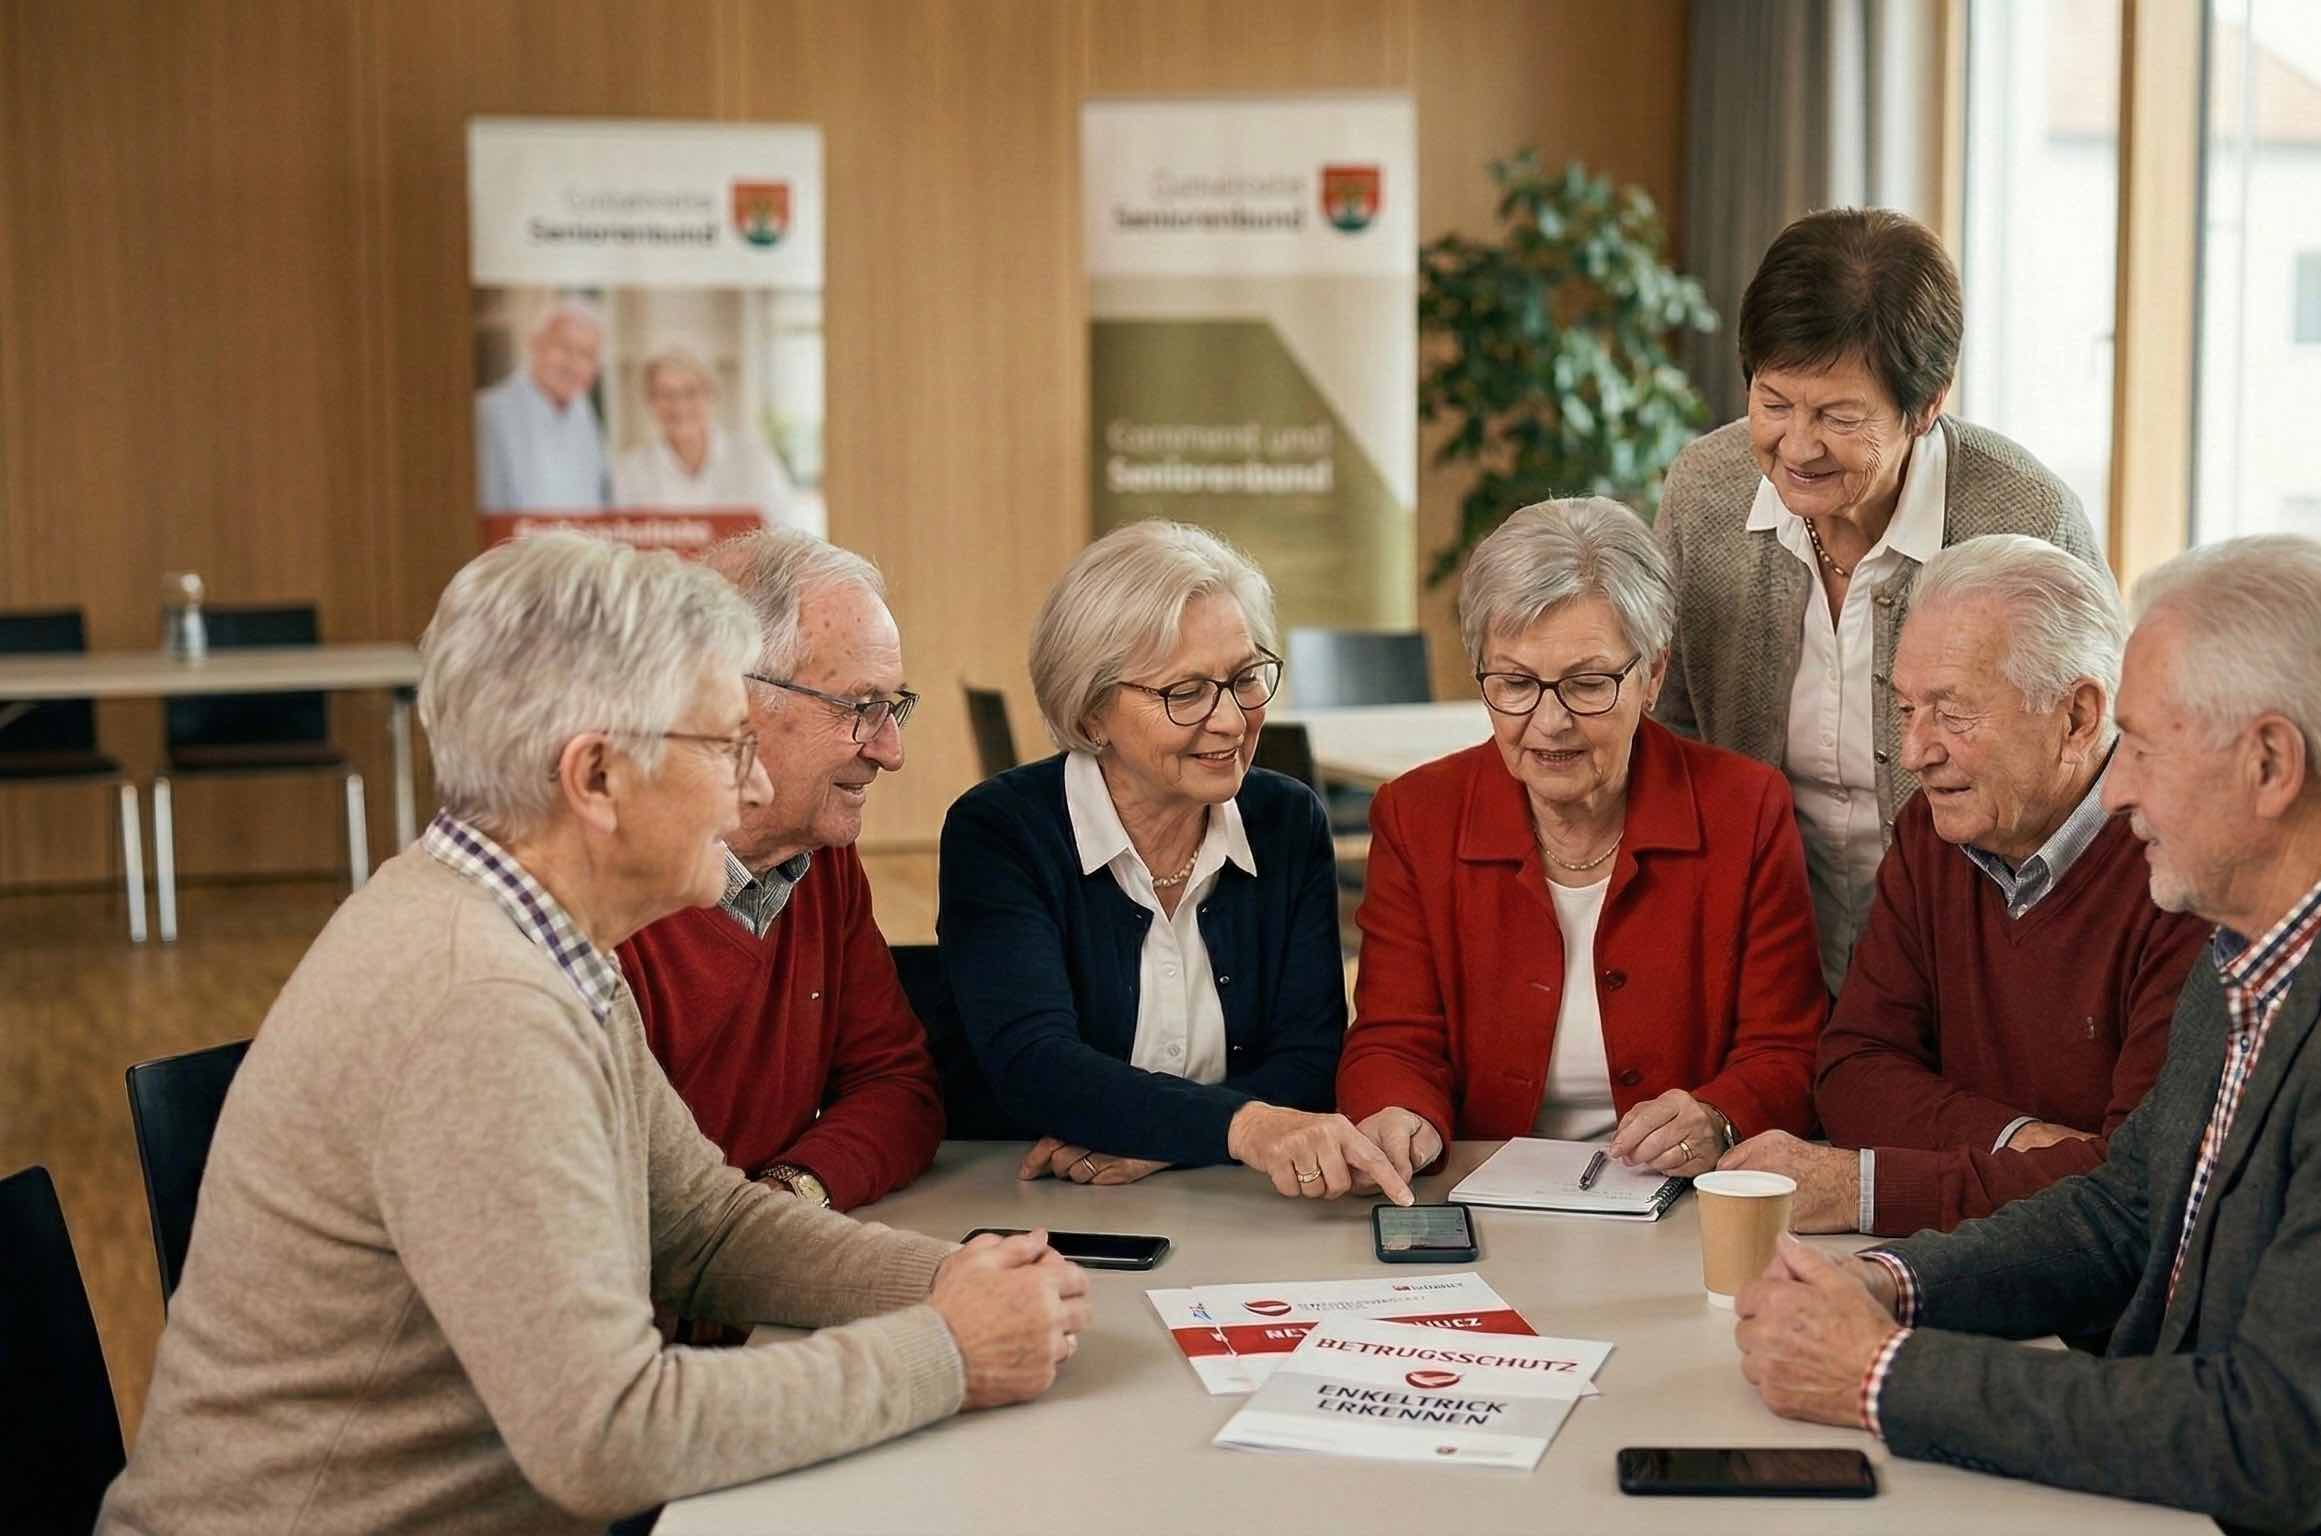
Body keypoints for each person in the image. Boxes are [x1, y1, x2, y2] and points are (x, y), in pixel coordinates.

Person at [98, 535, 1089, 1536]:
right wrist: (948, 1351)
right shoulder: (478, 1002)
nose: (749, 793)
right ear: (598, 778)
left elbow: (701, 1224)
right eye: (720, 747)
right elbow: (608, 1438)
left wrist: (953, 1284)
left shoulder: (537, 934)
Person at [1730, 536, 2321, 1533]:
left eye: (2141, 746)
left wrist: (1879, 1374)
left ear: (2268, 763)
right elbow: (2129, 1209)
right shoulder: (2269, 928)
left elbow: (2273, 1441)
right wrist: (1893, 1283)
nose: (2117, 789)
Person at [1653, 208, 2102, 994]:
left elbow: (2095, 772)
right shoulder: (1706, 492)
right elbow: (1673, 730)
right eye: (1774, 403)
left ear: (1926, 404)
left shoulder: (2026, 518)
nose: (1797, 446)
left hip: (1979, 966)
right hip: (1765, 965)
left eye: (1839, 416)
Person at [1720, 536, 2204, 1236]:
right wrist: (2017, 1140)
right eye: (1906, 709)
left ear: (2078, 717)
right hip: (1967, 1261)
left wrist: (1869, 1187)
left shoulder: (2183, 872)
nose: (1915, 753)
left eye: (1951, 713)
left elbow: (2137, 1185)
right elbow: (1852, 1072)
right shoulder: (1935, 830)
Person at [1339, 498, 1825, 1185]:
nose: (1550, 721)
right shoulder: (1419, 815)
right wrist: (1400, 1116)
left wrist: (1718, 1114)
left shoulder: (1743, 809)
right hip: (1476, 1193)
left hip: (1679, 1200)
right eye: (1514, 682)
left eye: (1587, 683)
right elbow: (1393, 1039)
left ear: (1652, 675)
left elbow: (1788, 1049)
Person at [934, 520, 1414, 1205]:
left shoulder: (1285, 821)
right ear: (1092, 709)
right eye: (1184, 692)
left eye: (1245, 677)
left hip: (1230, 1207)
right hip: (1036, 1205)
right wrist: (1243, 1126)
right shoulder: (1000, 831)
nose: (1231, 720)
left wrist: (1166, 1142)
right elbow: (1035, 1066)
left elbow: (1309, 1063)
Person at [617, 530, 939, 1213]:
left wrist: (794, 1191)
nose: (891, 751)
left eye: (895, 706)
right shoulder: (607, 901)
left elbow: (898, 1086)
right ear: (734, 699)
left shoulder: (822, 863)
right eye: (862, 708)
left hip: (754, 1286)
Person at [612, 344, 800, 525]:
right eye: (665, 394)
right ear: (650, 402)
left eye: (690, 392)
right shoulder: (628, 471)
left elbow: (782, 531)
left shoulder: (754, 460)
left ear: (711, 395)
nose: (678, 405)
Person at [475, 297, 609, 512]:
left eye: (586, 355)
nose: (573, 364)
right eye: (564, 348)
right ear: (535, 344)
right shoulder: (488, 412)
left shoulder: (583, 415)